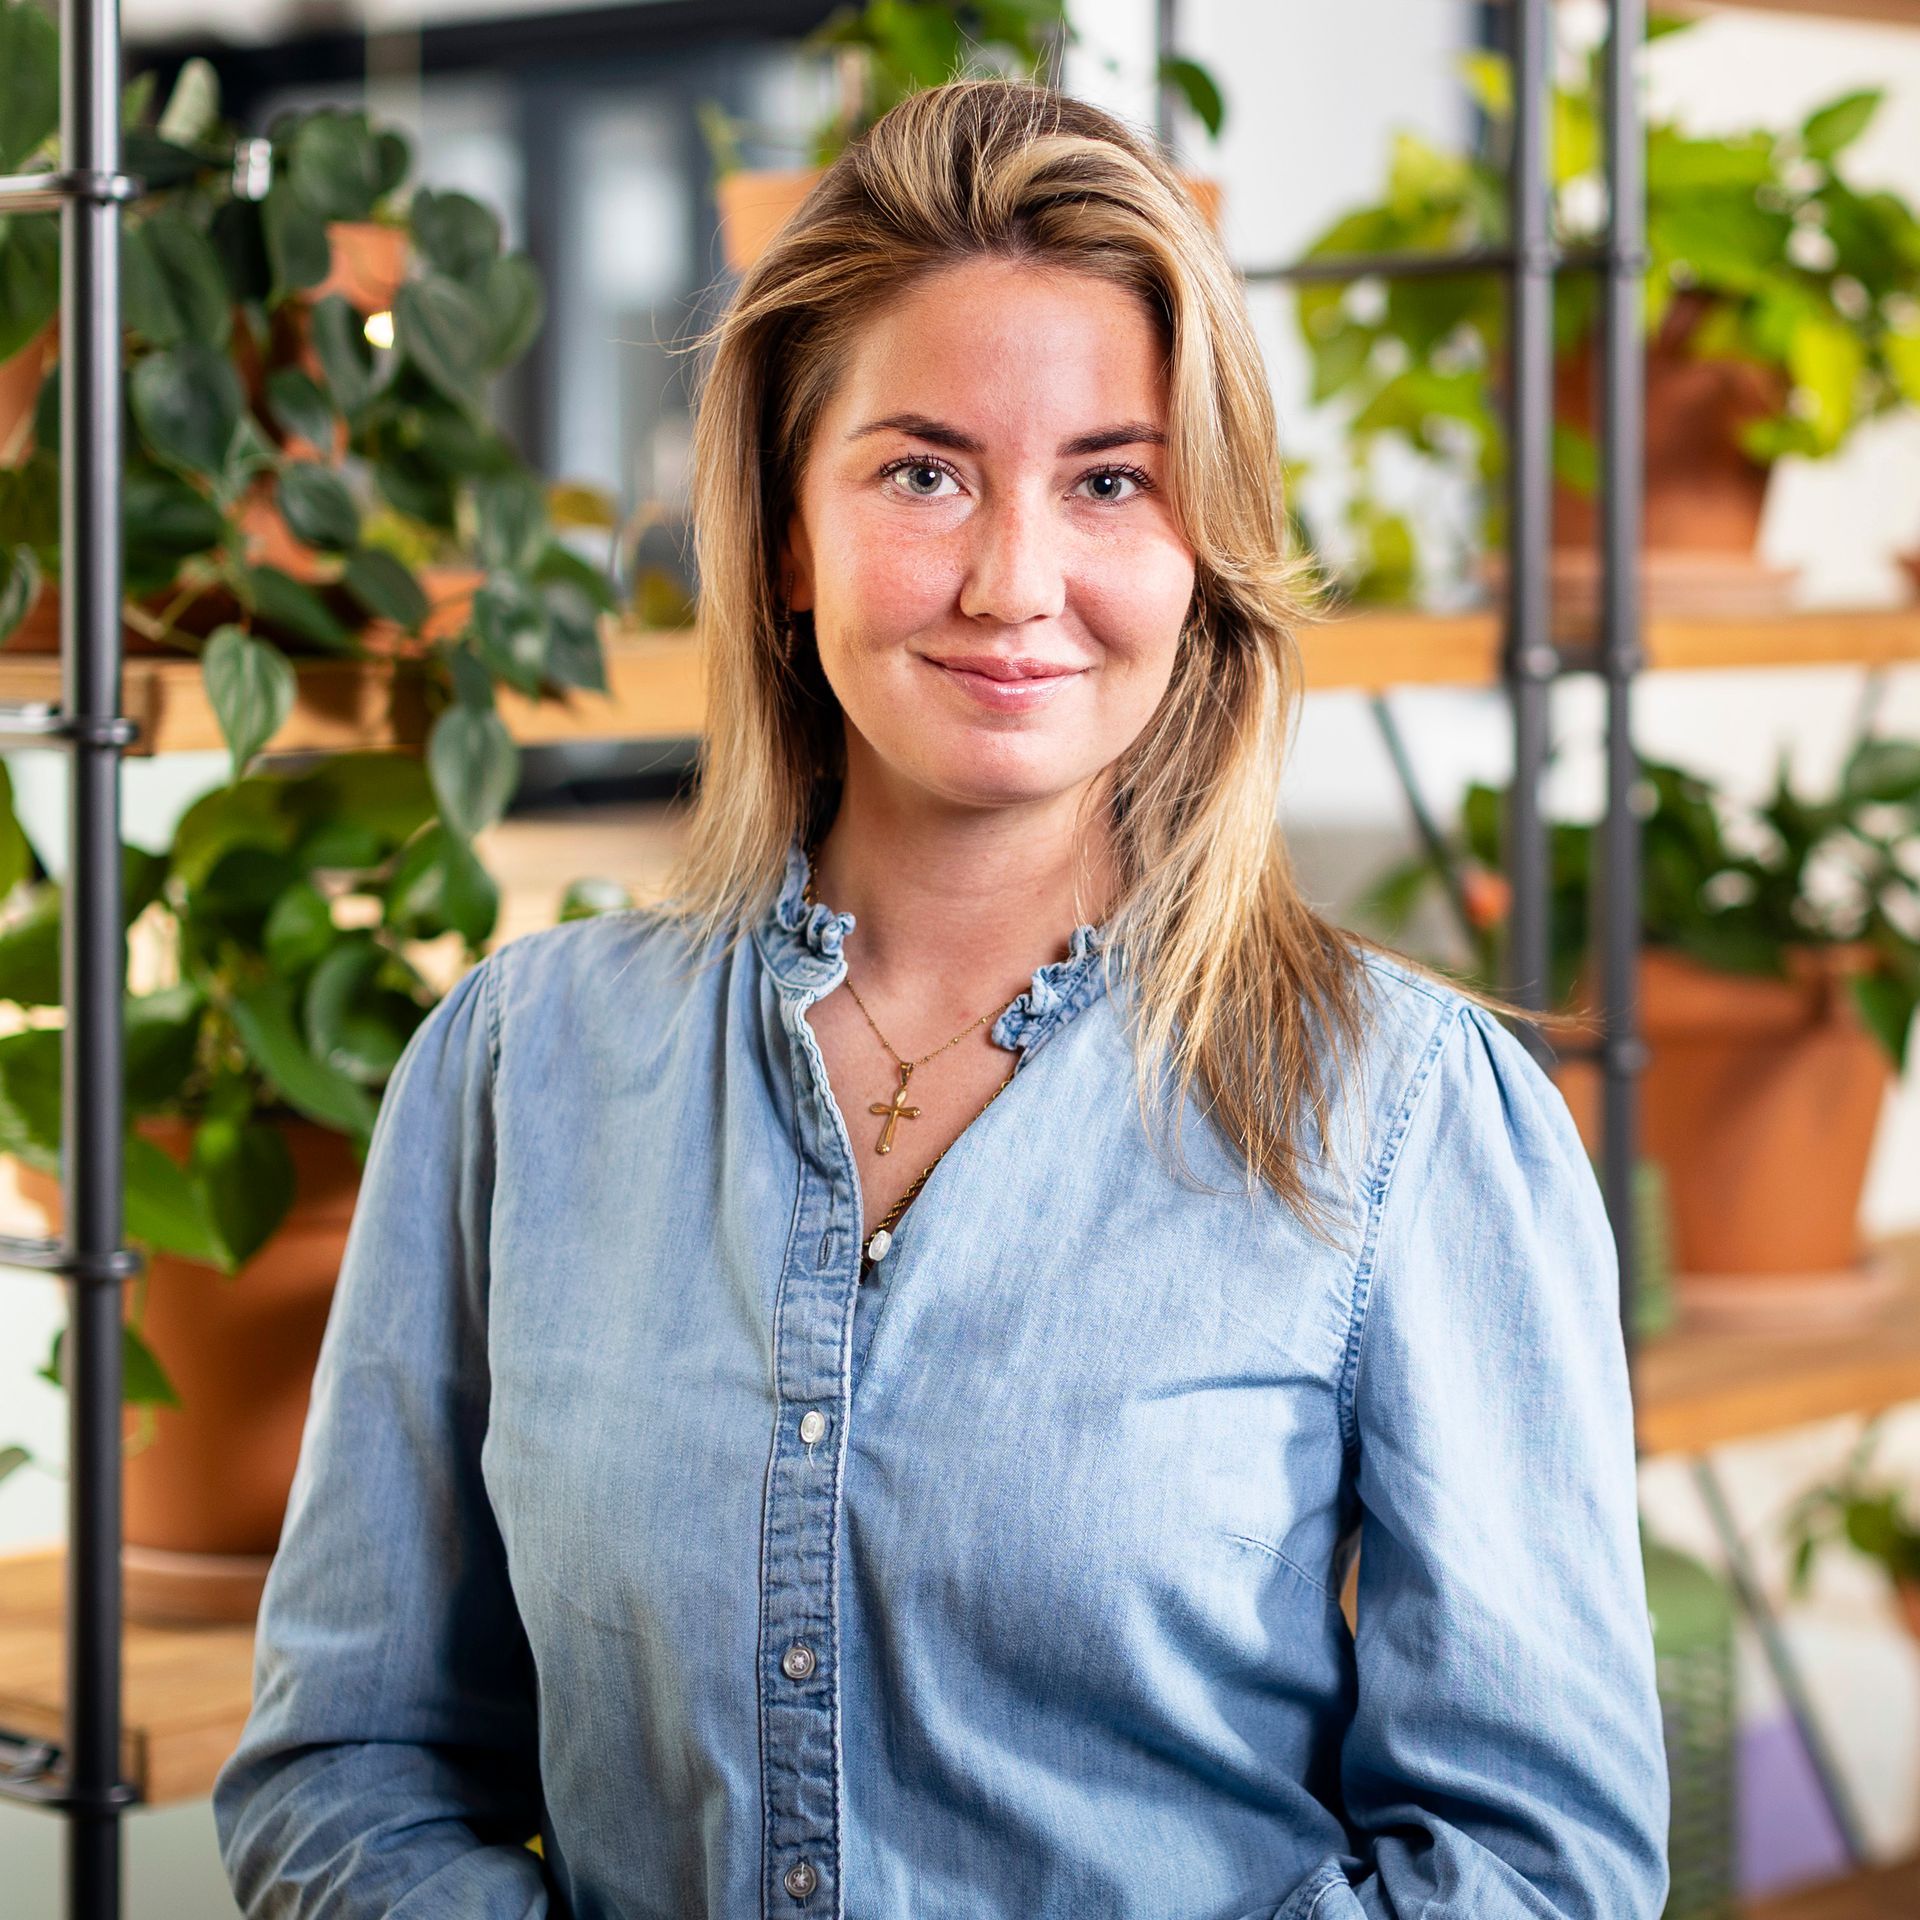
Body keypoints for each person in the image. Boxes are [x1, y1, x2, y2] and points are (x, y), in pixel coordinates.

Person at [213, 78, 1669, 1920]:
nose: (1014, 582)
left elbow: (1540, 1869)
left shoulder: (1407, 1114)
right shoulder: (519, 1068)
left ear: (1200, 545)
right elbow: (348, 1768)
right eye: (922, 473)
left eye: (1111, 481)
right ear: (784, 533)